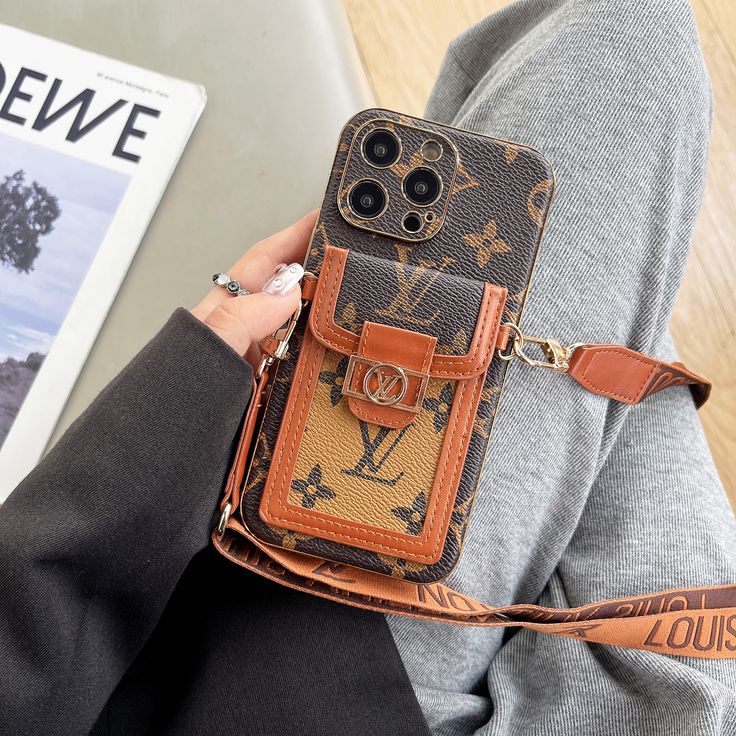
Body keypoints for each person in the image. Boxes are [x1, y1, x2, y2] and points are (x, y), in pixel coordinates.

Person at [2, 0, 735, 734]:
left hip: (278, 635)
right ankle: (602, 299)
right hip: (335, 644)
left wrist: (194, 380)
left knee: (598, 64)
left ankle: (595, 297)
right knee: (625, 36)